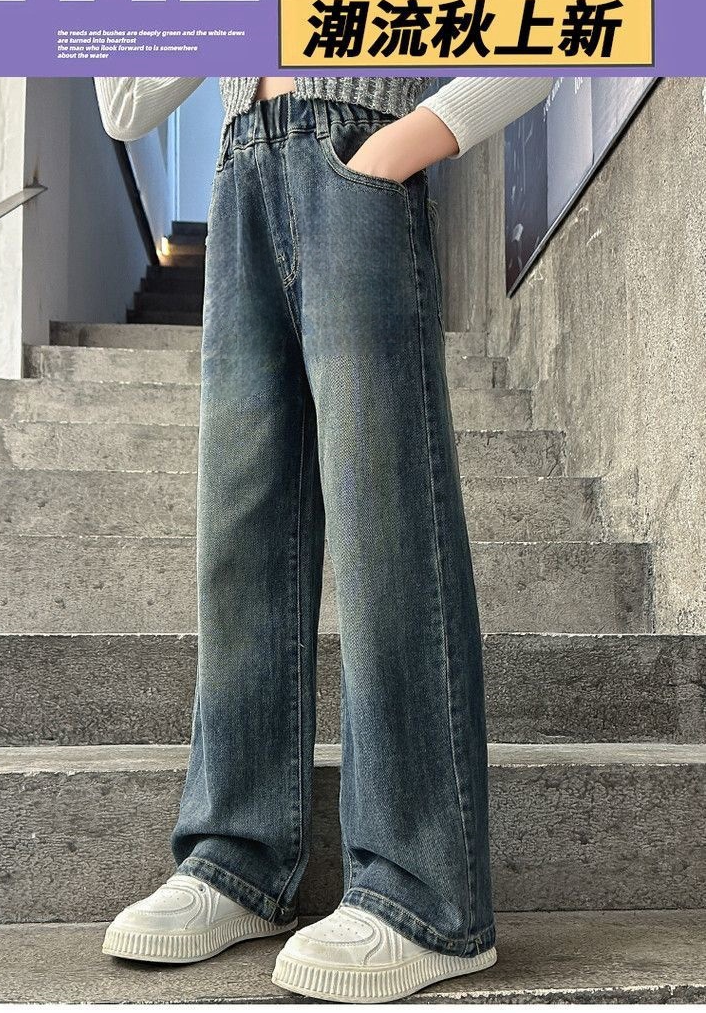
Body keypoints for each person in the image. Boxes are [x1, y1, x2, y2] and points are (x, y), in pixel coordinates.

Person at [93, 73, 553, 1003]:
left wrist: (403, 144)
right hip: (240, 174)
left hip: (361, 151)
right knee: (242, 536)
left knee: (387, 524)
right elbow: (124, 104)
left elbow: (556, 28)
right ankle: (236, 855)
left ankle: (426, 894)